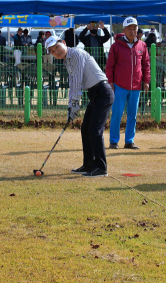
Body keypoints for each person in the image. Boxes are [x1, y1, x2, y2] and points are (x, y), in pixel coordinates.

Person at [45, 35, 114, 177]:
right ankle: (89, 165)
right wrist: (71, 107)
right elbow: (72, 84)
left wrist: (75, 106)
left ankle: (101, 167)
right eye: (52, 51)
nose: (56, 52)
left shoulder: (76, 54)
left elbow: (76, 84)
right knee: (85, 129)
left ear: (64, 43)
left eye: (57, 47)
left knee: (95, 130)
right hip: (94, 94)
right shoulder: (67, 61)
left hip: (103, 92)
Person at [106, 17, 150, 150]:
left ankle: (129, 141)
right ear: (124, 30)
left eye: (134, 28)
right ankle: (114, 141)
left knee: (133, 115)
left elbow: (146, 64)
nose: (132, 31)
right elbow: (110, 66)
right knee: (117, 114)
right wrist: (111, 82)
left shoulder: (142, 45)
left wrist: (146, 81)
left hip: (136, 86)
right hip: (120, 85)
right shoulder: (116, 46)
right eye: (129, 28)